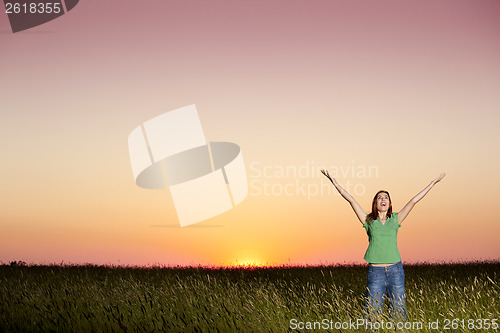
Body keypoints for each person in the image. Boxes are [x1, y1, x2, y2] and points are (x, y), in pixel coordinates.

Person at [320, 170, 445, 321]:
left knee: (398, 311)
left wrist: (432, 183)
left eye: (386, 197)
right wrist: (333, 181)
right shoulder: (368, 220)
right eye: (379, 198)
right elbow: (351, 200)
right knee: (372, 312)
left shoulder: (396, 219)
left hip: (395, 271)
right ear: (375, 203)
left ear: (390, 203)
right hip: (375, 273)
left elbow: (413, 201)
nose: (383, 199)